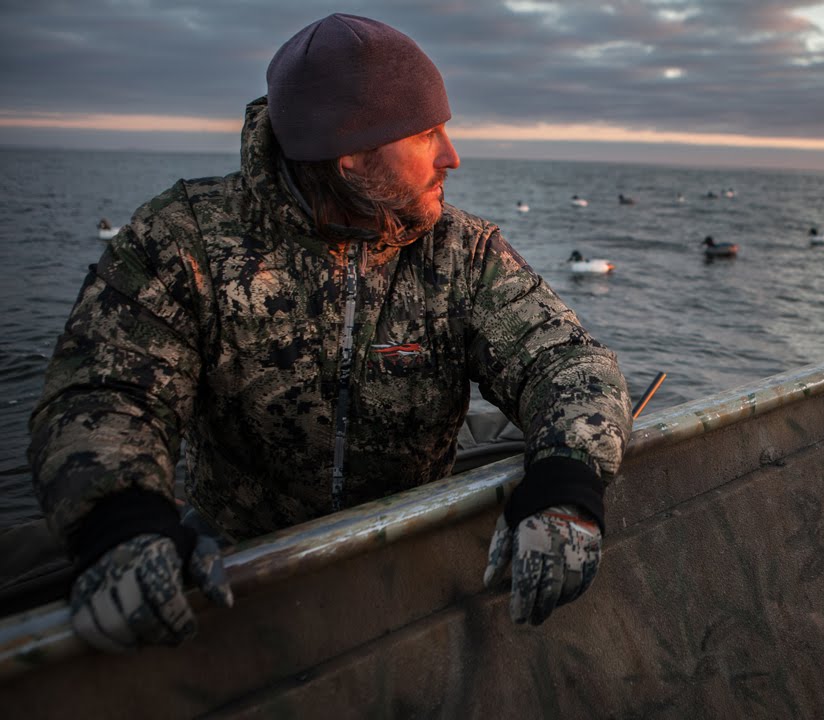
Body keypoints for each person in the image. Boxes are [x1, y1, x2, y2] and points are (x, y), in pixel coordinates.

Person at [27, 13, 632, 652]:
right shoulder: (184, 242)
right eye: (427, 134)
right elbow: (103, 395)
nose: (452, 156)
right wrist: (121, 524)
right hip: (237, 571)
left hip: (411, 550)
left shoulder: (463, 251)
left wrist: (567, 481)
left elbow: (565, 362)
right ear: (352, 158)